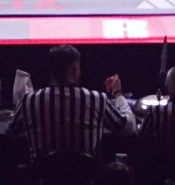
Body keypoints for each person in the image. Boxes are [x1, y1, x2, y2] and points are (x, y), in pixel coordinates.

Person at [8, 44, 136, 155]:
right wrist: (118, 93)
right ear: (75, 71)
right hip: (88, 181)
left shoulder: (29, 101)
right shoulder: (97, 99)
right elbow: (129, 128)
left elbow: (10, 130)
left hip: (42, 181)